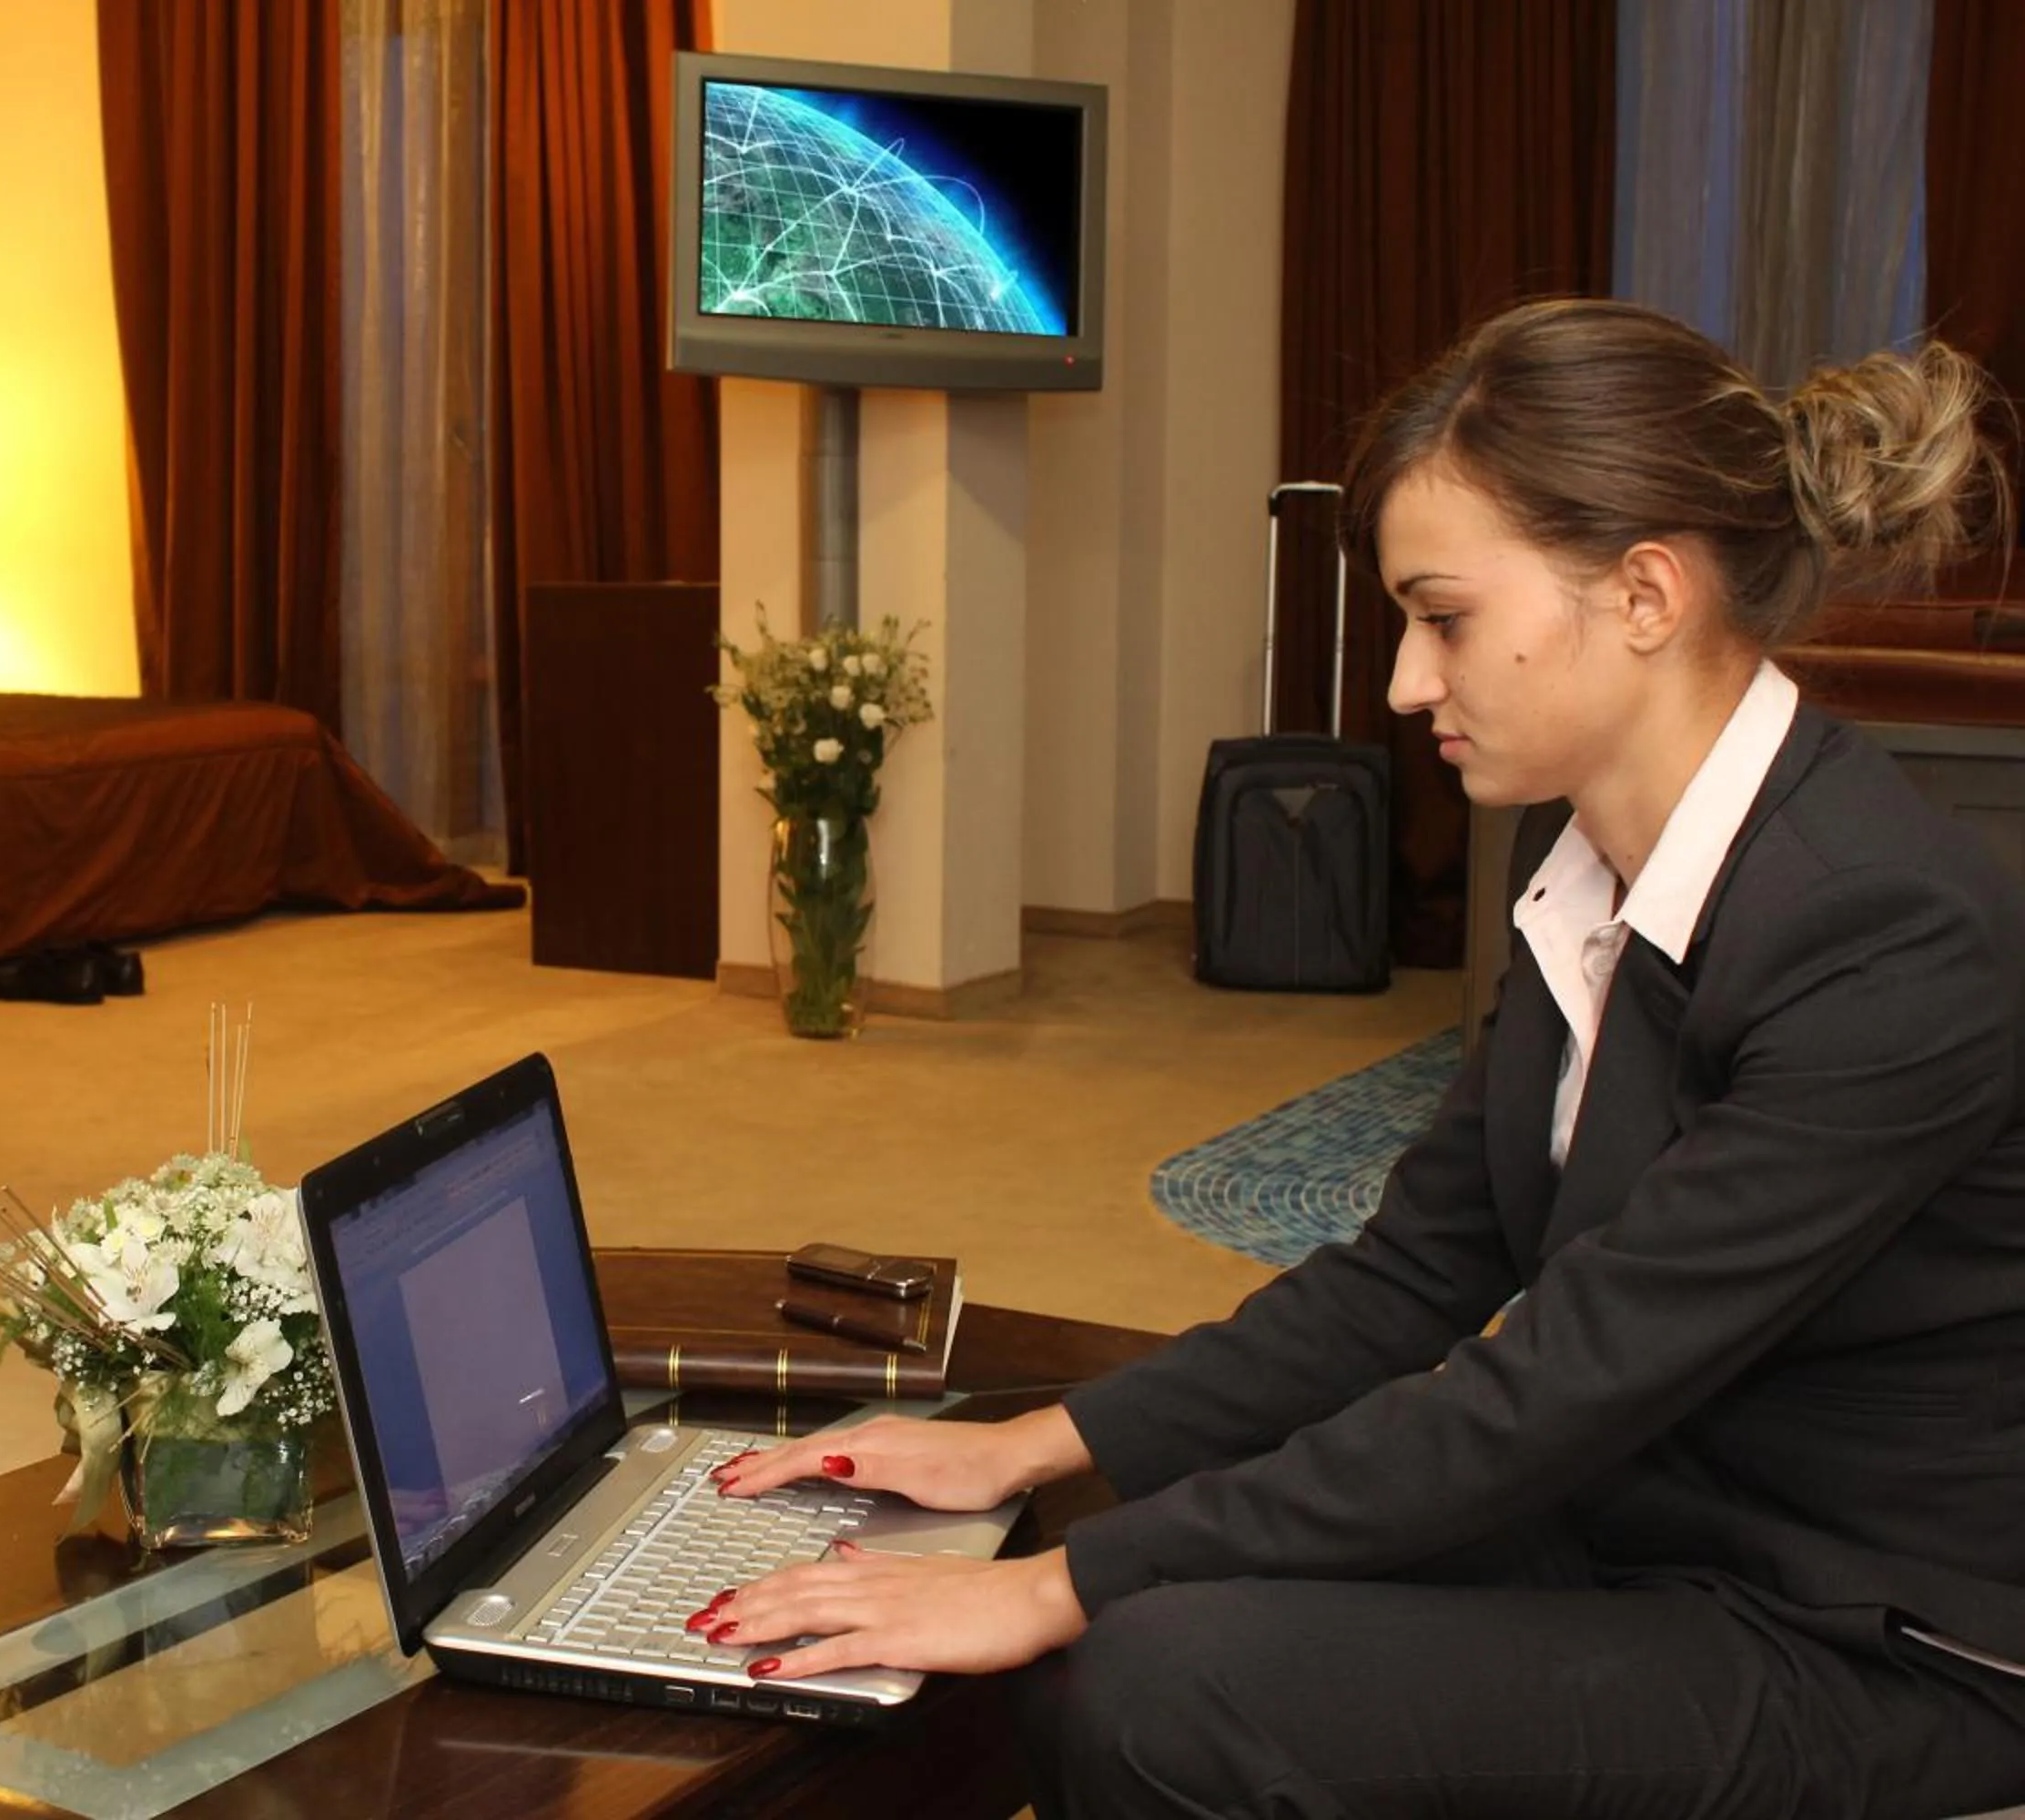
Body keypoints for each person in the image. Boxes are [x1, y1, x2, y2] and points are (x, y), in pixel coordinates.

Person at [704, 298, 2025, 1818]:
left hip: (1873, 1629)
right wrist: (1031, 1448)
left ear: (1648, 593)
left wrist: (1065, 1584)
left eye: (1444, 618)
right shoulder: (1584, 845)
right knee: (1108, 1574)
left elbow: (1559, 1384)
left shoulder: (1880, 931)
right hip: (1657, 1514)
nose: (1405, 683)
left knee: (1147, 1680)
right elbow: (1416, 1273)